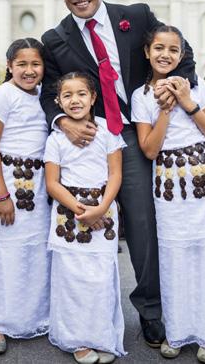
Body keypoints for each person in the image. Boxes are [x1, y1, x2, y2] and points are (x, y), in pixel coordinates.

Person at [40, 0, 197, 346]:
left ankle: (151, 311)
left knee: (142, 224)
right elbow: (47, 93)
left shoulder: (137, 15)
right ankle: (88, 313)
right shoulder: (54, 39)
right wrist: (64, 121)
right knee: (87, 227)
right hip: (88, 141)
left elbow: (184, 53)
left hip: (134, 132)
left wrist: (174, 84)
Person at [131, 24, 205, 363]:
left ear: (182, 55)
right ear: (147, 52)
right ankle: (180, 331)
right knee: (174, 258)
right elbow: (150, 149)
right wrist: (165, 110)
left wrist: (187, 102)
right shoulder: (141, 97)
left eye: (173, 49)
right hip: (169, 187)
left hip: (204, 181)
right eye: (158, 48)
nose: (165, 54)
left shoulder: (198, 87)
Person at [44, 71, 126, 364]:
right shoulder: (55, 139)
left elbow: (115, 173)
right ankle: (76, 339)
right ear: (58, 101)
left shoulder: (108, 131)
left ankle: (102, 335)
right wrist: (83, 212)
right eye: (67, 95)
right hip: (69, 213)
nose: (74, 100)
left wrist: (102, 208)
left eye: (81, 94)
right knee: (73, 278)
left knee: (101, 278)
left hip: (103, 208)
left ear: (93, 98)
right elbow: (52, 183)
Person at [0, 38, 50, 354]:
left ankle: (32, 318)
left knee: (34, 255)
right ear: (9, 66)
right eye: (21, 64)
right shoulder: (0, 97)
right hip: (7, 184)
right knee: (3, 253)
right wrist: (1, 195)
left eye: (35, 64)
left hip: (37, 188)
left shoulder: (45, 96)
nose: (29, 70)